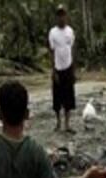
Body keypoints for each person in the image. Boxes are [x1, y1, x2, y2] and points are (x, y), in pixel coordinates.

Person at [48, 5, 76, 134]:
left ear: (66, 16)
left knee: (68, 96)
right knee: (57, 97)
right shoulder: (52, 32)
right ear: (57, 17)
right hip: (58, 68)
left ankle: (67, 124)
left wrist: (74, 69)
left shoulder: (70, 31)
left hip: (68, 67)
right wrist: (53, 71)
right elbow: (52, 51)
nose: (61, 17)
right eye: (59, 15)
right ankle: (58, 122)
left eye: (63, 14)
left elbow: (72, 49)